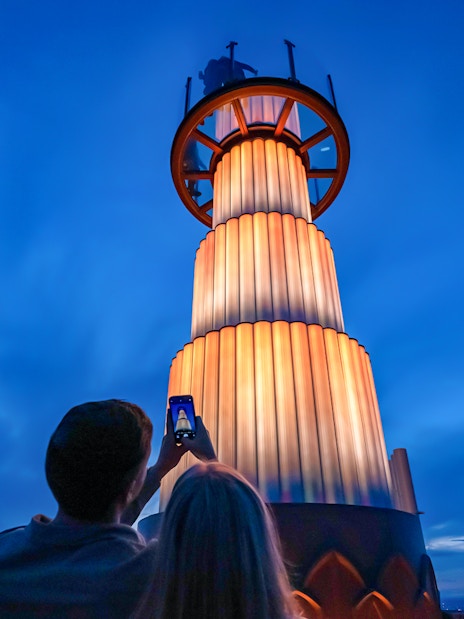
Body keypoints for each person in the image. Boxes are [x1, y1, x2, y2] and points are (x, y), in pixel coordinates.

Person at [0, 399, 216, 618]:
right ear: (133, 482)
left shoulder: (6, 553)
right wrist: (212, 463)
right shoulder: (152, 575)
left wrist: (159, 469)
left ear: (52, 468)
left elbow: (87, 539)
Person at [139, 461, 297, 619]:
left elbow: (114, 537)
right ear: (258, 540)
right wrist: (213, 463)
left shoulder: (131, 594)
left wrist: (161, 467)